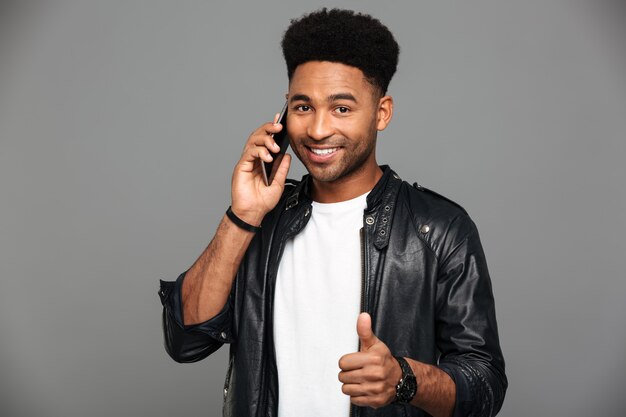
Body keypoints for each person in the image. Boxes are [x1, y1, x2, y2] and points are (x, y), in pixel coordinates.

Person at [159, 8, 507, 417]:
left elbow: (484, 385)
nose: (319, 129)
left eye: (341, 109)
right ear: (284, 111)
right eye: (303, 107)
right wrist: (244, 214)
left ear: (382, 113)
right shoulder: (261, 221)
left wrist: (405, 379)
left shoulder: (440, 230)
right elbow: (185, 342)